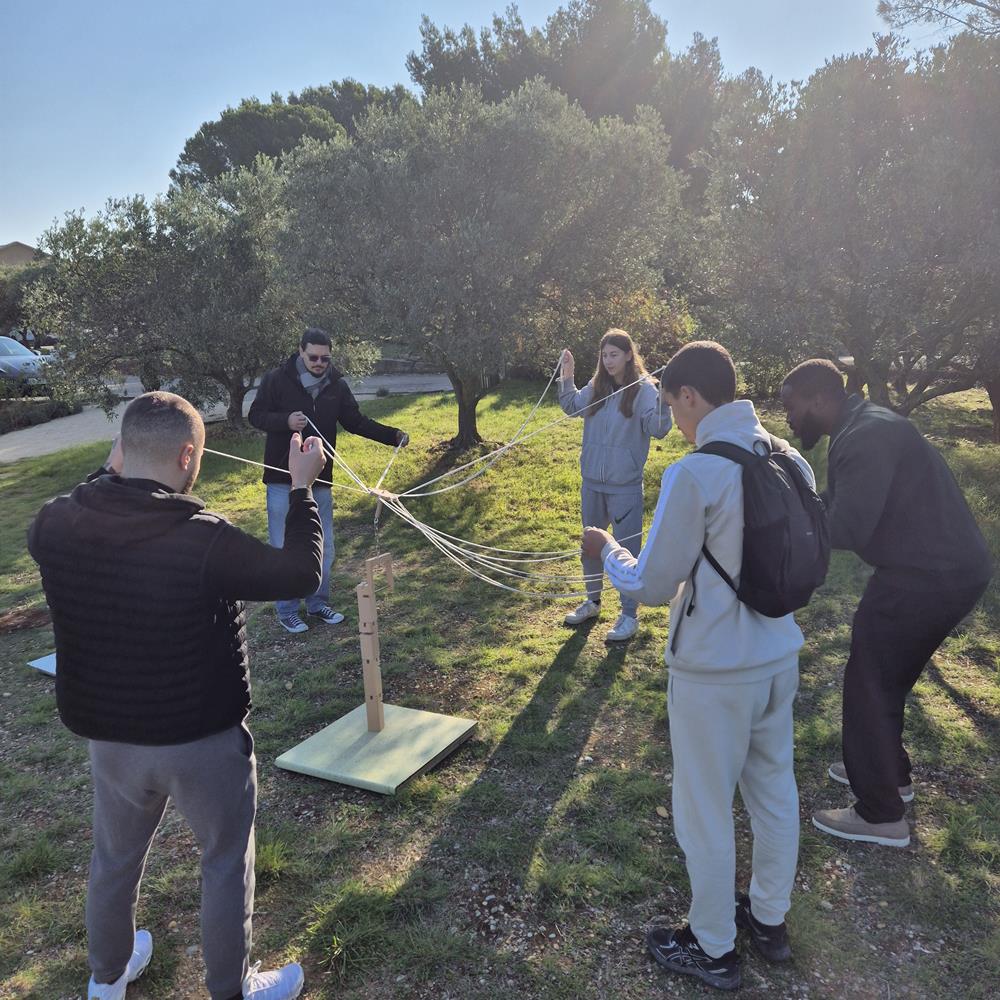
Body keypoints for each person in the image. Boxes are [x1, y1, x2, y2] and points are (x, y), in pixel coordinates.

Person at [28, 391, 326, 1000]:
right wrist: (301, 489)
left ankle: (106, 978)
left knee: (113, 858)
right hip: (201, 741)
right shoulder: (202, 539)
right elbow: (299, 573)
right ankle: (230, 988)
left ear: (119, 452)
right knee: (223, 862)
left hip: (111, 741)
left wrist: (118, 461)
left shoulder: (53, 523)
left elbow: (89, 497)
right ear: (189, 455)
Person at [582, 342, 813, 991]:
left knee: (704, 809)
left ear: (689, 396)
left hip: (714, 672)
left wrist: (605, 551)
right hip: (778, 655)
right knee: (774, 791)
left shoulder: (697, 473)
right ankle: (768, 919)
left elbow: (654, 585)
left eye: (670, 406)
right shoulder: (788, 458)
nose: (673, 422)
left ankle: (713, 946)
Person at [781, 360, 992, 847]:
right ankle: (889, 773)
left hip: (928, 575)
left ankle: (879, 813)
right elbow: (847, 501)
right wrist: (805, 507)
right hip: (947, 568)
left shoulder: (865, 436)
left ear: (818, 400)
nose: (789, 419)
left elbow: (850, 526)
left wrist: (787, 529)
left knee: (869, 676)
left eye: (791, 408)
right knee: (887, 673)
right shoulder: (863, 423)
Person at [249, 328, 409, 634]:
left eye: (325, 358)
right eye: (313, 357)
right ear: (300, 351)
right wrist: (285, 421)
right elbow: (256, 416)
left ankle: (317, 602)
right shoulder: (276, 380)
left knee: (324, 545)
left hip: (320, 479)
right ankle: (287, 610)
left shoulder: (336, 385)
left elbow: (356, 422)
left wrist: (393, 436)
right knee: (284, 545)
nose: (320, 363)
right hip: (283, 479)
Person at [559, 329, 672, 642]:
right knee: (590, 546)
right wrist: (567, 376)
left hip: (625, 485)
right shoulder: (598, 385)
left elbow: (659, 428)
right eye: (604, 355)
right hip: (592, 483)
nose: (608, 361)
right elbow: (571, 406)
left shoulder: (645, 389)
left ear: (627, 355)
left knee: (626, 550)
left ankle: (628, 616)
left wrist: (664, 399)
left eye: (614, 354)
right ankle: (592, 602)